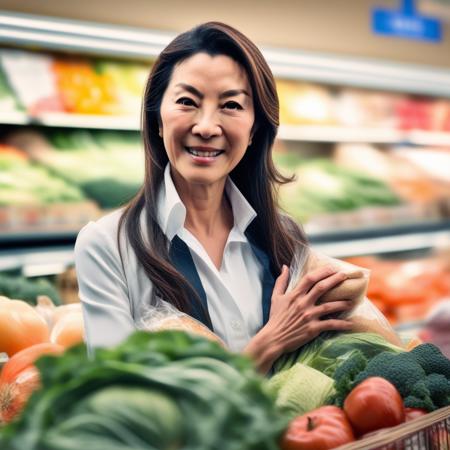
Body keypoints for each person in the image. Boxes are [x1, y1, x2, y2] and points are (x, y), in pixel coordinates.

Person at [74, 21, 353, 373]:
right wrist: (269, 344)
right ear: (157, 119)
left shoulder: (285, 237)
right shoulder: (106, 246)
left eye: (231, 105)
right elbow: (117, 394)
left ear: (255, 129)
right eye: (187, 101)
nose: (206, 127)